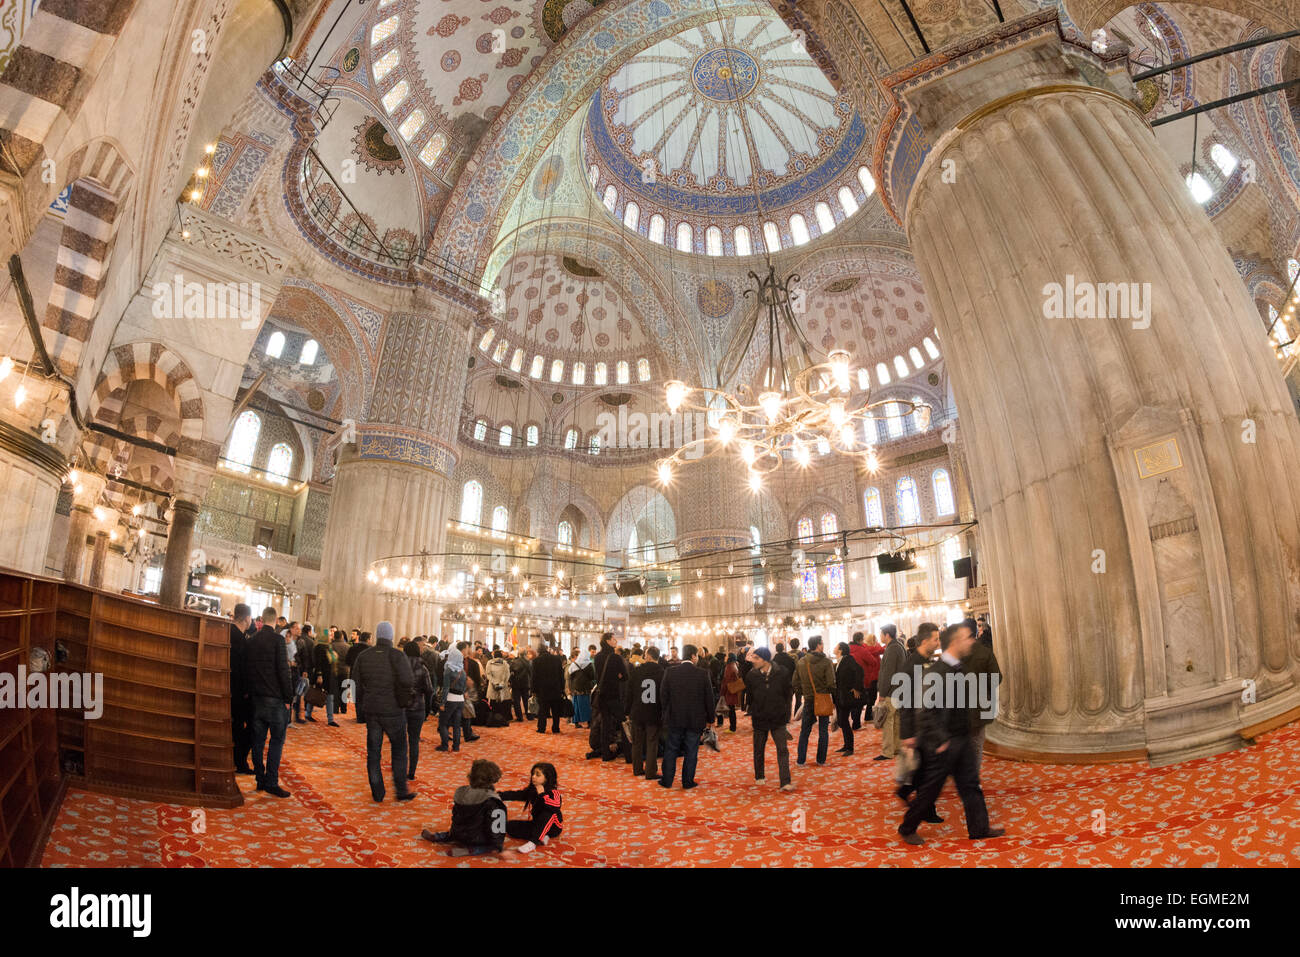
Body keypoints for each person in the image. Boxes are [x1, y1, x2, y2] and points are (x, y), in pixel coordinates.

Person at [898, 625, 1005, 845]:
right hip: (943, 742)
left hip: (961, 737)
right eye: (967, 638)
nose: (971, 642)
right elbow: (924, 711)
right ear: (955, 642)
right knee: (930, 789)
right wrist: (940, 740)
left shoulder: (959, 668)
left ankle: (979, 828)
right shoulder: (937, 672)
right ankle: (907, 827)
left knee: (970, 784)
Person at [353, 621, 416, 803]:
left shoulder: (364, 656)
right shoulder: (397, 655)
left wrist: (362, 705)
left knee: (374, 752)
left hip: (372, 710)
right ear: (391, 636)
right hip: (394, 711)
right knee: (399, 750)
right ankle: (401, 790)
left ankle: (378, 792)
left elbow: (355, 683)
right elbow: (408, 680)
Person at [897, 622, 943, 823]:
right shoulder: (912, 665)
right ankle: (924, 810)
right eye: (936, 638)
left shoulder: (925, 660)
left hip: (927, 725)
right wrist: (908, 734)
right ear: (925, 641)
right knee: (929, 772)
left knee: (925, 769)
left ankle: (907, 792)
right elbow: (905, 703)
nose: (938, 642)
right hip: (918, 727)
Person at [245, 605, 293, 797]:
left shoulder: (252, 640)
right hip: (275, 699)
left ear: (262, 619)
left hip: (256, 698)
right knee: (276, 741)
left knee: (257, 741)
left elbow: (247, 669)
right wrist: (289, 697)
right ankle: (271, 782)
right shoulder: (277, 640)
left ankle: (259, 778)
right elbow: (283, 671)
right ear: (275, 621)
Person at [420, 760, 508, 857]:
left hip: (457, 833)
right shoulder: (493, 801)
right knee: (492, 846)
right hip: (476, 840)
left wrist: (454, 833)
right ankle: (469, 850)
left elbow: (455, 816)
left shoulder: (461, 791)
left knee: (464, 828)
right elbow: (496, 829)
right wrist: (500, 847)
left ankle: (441, 836)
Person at [659, 644, 714, 789]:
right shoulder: (702, 673)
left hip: (674, 717)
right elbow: (709, 698)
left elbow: (663, 695)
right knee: (691, 750)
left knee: (671, 749)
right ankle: (687, 781)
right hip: (695, 719)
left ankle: (667, 780)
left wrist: (666, 712)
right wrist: (710, 719)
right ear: (694, 656)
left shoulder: (670, 672)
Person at [746, 647, 796, 791]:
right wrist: (754, 710)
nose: (753, 661)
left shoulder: (782, 673)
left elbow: (788, 694)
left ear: (765, 659)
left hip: (778, 718)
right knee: (759, 749)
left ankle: (785, 781)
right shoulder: (751, 676)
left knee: (782, 750)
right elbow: (749, 697)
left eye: (756, 658)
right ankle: (759, 776)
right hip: (760, 717)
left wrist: (786, 714)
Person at [959, 618, 1001, 775]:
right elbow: (997, 678)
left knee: (963, 740)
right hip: (979, 705)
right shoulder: (985, 652)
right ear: (975, 632)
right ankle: (972, 776)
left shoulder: (955, 654)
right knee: (976, 742)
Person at [498, 763, 564, 852]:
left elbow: (555, 807)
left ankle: (533, 842)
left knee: (548, 813)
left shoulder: (554, 792)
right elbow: (517, 794)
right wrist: (498, 795)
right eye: (533, 774)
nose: (533, 776)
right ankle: (543, 835)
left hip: (553, 828)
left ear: (547, 777)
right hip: (537, 825)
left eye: (538, 774)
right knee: (510, 826)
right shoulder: (532, 790)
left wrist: (542, 794)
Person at [792, 635, 835, 766]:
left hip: (809, 699)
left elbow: (795, 682)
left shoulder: (801, 662)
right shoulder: (826, 662)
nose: (823, 646)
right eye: (822, 643)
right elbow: (831, 683)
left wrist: (804, 692)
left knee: (805, 730)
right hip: (823, 698)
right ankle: (821, 760)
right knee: (823, 730)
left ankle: (801, 760)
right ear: (818, 645)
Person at [589, 633, 628, 761]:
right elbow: (625, 676)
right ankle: (628, 754)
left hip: (602, 695)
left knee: (605, 724)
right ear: (608, 641)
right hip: (613, 695)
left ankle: (605, 754)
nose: (615, 640)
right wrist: (617, 676)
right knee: (623, 722)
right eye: (613, 639)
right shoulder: (616, 657)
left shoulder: (598, 657)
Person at [628, 646, 665, 780]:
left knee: (637, 743)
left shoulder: (637, 671)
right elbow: (664, 694)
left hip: (637, 711)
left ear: (648, 656)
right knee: (652, 742)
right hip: (653, 712)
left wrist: (627, 710)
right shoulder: (661, 671)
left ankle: (637, 769)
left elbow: (629, 692)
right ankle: (650, 772)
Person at [229, 603, 254, 775]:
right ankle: (239, 761)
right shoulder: (238, 638)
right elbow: (240, 668)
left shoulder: (229, 632)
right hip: (237, 691)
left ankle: (237, 760)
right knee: (251, 725)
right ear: (246, 618)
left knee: (238, 727)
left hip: (231, 688)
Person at [875, 624, 906, 761]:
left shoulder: (892, 649)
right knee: (896, 719)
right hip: (899, 689)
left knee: (888, 720)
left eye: (881, 634)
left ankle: (887, 751)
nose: (880, 636)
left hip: (892, 691)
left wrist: (882, 691)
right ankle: (897, 747)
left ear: (887, 635)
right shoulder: (899, 646)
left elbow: (888, 673)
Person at [404, 641, 435, 781]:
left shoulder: (399, 666)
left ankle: (399, 766)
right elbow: (430, 690)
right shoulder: (423, 668)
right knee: (414, 740)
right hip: (417, 707)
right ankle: (411, 772)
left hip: (401, 707)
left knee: (399, 740)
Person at [833, 641, 863, 756]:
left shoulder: (848, 660)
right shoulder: (840, 661)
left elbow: (859, 672)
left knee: (843, 721)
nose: (834, 648)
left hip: (846, 696)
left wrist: (856, 688)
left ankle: (850, 747)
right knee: (842, 721)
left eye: (836, 646)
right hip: (841, 695)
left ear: (840, 650)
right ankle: (846, 745)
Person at [307, 626, 341, 726]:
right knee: (317, 695)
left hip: (328, 676)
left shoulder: (327, 647)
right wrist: (319, 675)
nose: (331, 637)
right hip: (322, 676)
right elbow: (318, 663)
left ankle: (310, 714)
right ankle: (329, 719)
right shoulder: (320, 648)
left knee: (322, 695)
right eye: (329, 635)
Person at [436, 646, 468, 752]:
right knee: (457, 725)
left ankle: (444, 745)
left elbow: (445, 688)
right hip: (460, 700)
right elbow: (464, 688)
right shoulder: (462, 671)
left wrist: (442, 702)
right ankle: (456, 746)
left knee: (443, 724)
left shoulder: (448, 670)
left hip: (450, 699)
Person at [532, 639, 566, 733]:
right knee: (556, 711)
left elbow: (534, 677)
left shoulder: (536, 661)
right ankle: (556, 728)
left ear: (539, 651)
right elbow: (561, 675)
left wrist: (534, 690)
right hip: (556, 689)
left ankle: (541, 728)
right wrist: (562, 688)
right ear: (547, 649)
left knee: (542, 710)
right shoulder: (556, 659)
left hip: (542, 690)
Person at [846, 632, 873, 730]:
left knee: (852, 700)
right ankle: (856, 724)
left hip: (848, 680)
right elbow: (872, 661)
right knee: (860, 701)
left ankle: (852, 720)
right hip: (860, 679)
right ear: (861, 640)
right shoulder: (862, 650)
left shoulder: (847, 649)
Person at [346, 631, 372, 724]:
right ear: (368, 639)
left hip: (355, 674)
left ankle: (359, 717)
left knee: (357, 696)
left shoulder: (352, 648)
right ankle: (365, 717)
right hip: (367, 676)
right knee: (366, 696)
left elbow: (347, 661)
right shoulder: (371, 649)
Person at [568, 647, 594, 729]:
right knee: (586, 705)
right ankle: (588, 722)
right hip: (585, 687)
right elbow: (592, 676)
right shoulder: (589, 665)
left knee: (576, 705)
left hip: (575, 687)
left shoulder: (574, 664)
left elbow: (570, 675)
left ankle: (576, 722)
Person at [485, 649, 513, 722]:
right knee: (503, 702)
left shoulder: (489, 663)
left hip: (493, 685)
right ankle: (503, 718)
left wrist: (494, 682)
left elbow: (488, 674)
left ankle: (494, 718)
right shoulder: (505, 663)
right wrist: (502, 683)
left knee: (493, 702)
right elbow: (507, 675)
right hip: (503, 686)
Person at [719, 654, 741, 733]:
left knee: (731, 710)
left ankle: (732, 728)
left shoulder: (729, 667)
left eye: (727, 656)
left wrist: (722, 692)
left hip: (729, 691)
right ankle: (733, 727)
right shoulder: (734, 664)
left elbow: (726, 681)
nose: (725, 657)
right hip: (733, 690)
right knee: (732, 710)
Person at [508, 646, 531, 721]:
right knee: (526, 700)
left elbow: (511, 671)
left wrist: (510, 681)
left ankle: (519, 717)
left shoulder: (514, 661)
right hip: (525, 683)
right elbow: (531, 673)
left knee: (516, 701)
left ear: (518, 653)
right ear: (525, 653)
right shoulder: (528, 662)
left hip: (516, 683)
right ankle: (529, 716)